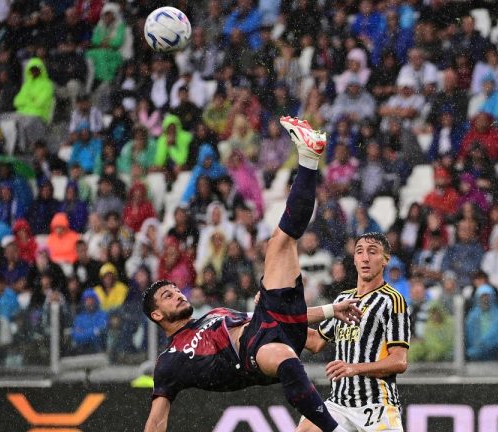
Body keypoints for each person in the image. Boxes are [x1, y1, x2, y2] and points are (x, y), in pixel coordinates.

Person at [143, 117, 360, 432]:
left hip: (266, 322)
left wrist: (329, 310)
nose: (177, 293)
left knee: (280, 243)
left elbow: (275, 319)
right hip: (251, 356)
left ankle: (309, 158)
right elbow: (156, 420)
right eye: (167, 295)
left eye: (175, 290)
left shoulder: (214, 314)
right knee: (284, 354)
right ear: (156, 314)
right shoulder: (168, 361)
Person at [300, 231, 410, 432]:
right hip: (339, 406)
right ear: (355, 259)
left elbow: (399, 361)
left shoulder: (392, 300)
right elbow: (315, 341)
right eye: (360, 252)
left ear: (385, 260)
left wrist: (354, 368)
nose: (365, 257)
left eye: (372, 251)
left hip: (377, 407)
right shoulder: (343, 299)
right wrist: (278, 317)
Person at [465, 284, 498, 361]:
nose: (485, 300)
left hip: (495, 353)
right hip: (477, 355)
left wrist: (484, 344)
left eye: (487, 297)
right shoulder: (473, 315)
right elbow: (470, 336)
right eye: (482, 297)